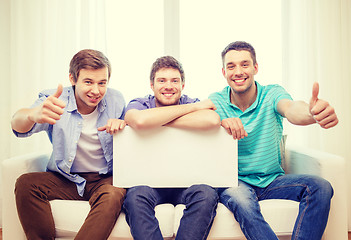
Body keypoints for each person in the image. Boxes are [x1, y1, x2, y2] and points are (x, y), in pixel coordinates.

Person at [209, 41, 338, 240]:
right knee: (241, 201)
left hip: (272, 181)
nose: (238, 71)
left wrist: (312, 113)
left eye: (244, 64)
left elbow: (292, 109)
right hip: (236, 182)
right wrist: (221, 121)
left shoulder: (271, 94)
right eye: (231, 66)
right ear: (224, 72)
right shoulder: (217, 101)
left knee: (321, 187)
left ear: (255, 67)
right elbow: (200, 121)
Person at [11, 49, 127, 240]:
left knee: (115, 193)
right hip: (66, 178)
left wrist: (123, 125)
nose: (96, 91)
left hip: (104, 178)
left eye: (102, 83)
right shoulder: (55, 100)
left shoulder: (116, 100)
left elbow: (131, 137)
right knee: (26, 183)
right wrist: (32, 115)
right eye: (88, 82)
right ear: (73, 79)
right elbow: (17, 124)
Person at [122, 56, 220, 240]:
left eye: (175, 81)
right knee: (135, 196)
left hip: (187, 183)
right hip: (149, 184)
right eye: (162, 80)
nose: (168, 86)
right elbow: (139, 120)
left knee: (207, 193)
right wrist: (193, 111)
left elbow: (212, 120)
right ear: (151, 85)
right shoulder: (140, 103)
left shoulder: (191, 101)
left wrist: (158, 120)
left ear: (183, 85)